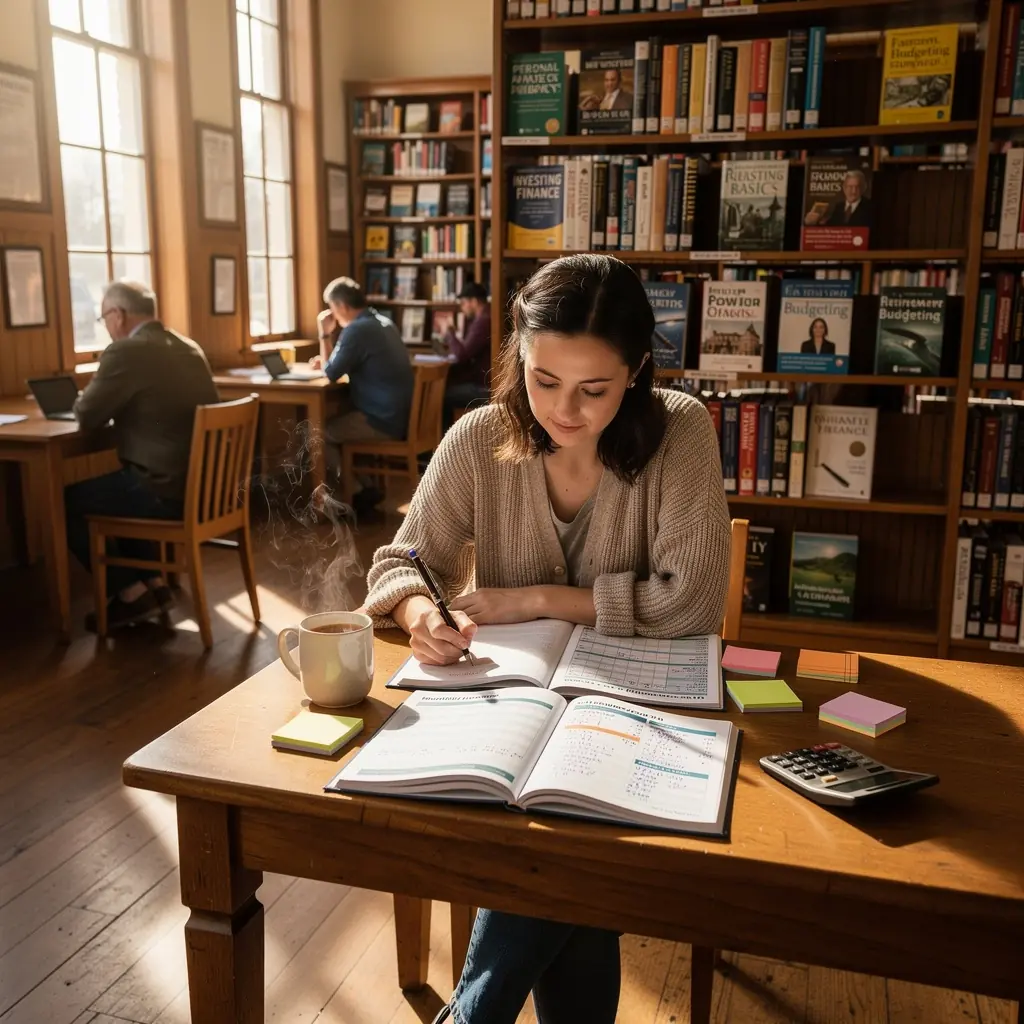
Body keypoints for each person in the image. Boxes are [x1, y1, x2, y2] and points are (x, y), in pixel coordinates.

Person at [362, 254, 731, 1023]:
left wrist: (535, 598)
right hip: (510, 713)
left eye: (594, 389)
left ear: (634, 371)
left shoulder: (680, 430)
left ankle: (473, 1016)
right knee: (566, 834)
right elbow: (400, 561)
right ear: (519, 359)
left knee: (566, 821)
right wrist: (420, 615)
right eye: (543, 380)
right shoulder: (481, 437)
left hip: (637, 712)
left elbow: (693, 601)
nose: (563, 410)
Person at [66, 280, 219, 629]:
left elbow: (86, 414)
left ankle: (129, 591)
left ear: (118, 315)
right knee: (122, 487)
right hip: (206, 490)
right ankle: (154, 584)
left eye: (103, 317)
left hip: (165, 492)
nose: (105, 325)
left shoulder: (127, 352)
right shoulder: (188, 347)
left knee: (71, 499)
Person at [310, 277, 414, 515]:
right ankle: (365, 487)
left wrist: (323, 334)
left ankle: (355, 494)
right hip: (400, 416)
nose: (333, 315)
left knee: (318, 433)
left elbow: (332, 372)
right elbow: (334, 366)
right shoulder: (383, 323)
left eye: (333, 309)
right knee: (342, 421)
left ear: (342, 306)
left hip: (382, 421)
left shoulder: (357, 330)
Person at [441, 281, 491, 427]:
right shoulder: (485, 317)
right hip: (483, 382)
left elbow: (461, 355)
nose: (462, 308)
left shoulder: (483, 322)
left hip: (484, 388)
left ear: (474, 301)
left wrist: (449, 332)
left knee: (441, 397)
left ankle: (443, 446)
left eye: (463, 303)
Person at [804, 169, 873, 229]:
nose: (853, 191)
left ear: (863, 188)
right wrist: (813, 222)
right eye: (850, 187)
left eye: (857, 187)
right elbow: (829, 229)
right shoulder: (839, 206)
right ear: (844, 188)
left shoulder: (869, 206)